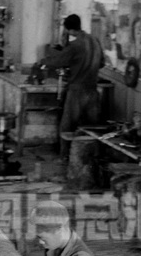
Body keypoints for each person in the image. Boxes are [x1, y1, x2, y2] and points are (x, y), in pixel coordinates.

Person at [34, 14, 105, 160]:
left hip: (77, 91)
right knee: (93, 127)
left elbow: (58, 61)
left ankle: (65, 156)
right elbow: (102, 63)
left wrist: (42, 62)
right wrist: (83, 67)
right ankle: (93, 158)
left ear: (68, 29)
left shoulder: (75, 46)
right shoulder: (95, 41)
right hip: (93, 90)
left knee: (67, 126)